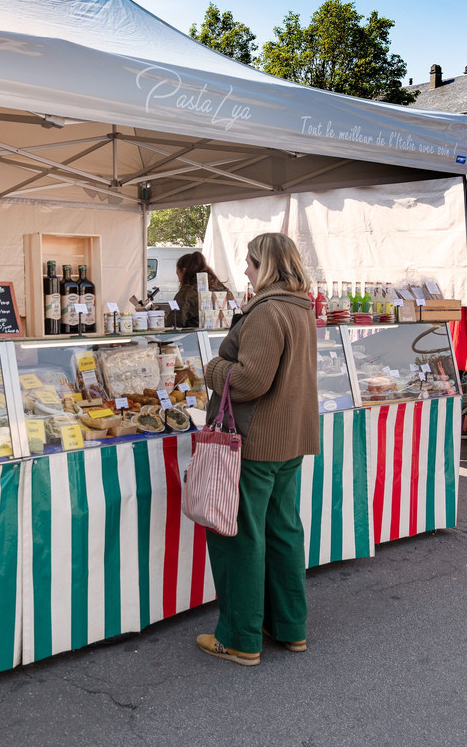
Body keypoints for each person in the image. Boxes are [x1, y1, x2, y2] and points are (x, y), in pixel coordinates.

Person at [196, 232, 320, 667]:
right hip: (289, 438)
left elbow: (250, 381)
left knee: (240, 539)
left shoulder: (268, 311)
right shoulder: (300, 306)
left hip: (256, 441)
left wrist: (212, 368)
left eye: (249, 262)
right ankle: (289, 627)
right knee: (282, 531)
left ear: (264, 265)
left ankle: (241, 637)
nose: (245, 270)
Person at [165, 251, 234, 327]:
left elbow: (175, 321)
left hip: (194, 336)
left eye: (178, 274)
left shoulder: (187, 292)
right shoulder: (222, 288)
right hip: (221, 335)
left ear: (184, 271)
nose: (179, 280)